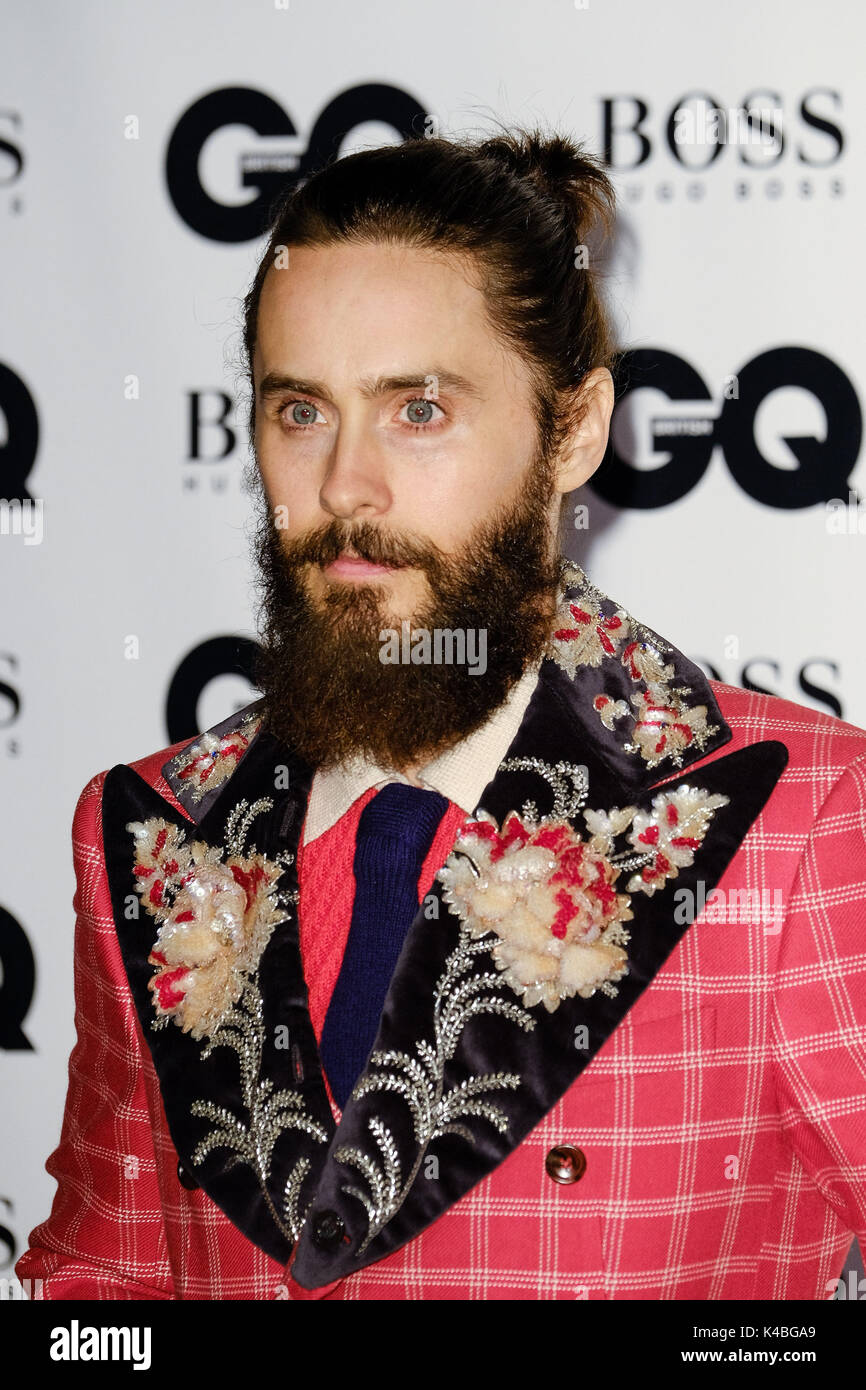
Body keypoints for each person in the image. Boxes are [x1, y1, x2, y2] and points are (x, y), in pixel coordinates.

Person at [17, 128, 866, 1301]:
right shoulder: (154, 836)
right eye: (299, 410)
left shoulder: (796, 819)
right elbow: (97, 1292)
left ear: (570, 431)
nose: (341, 486)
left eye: (417, 410)